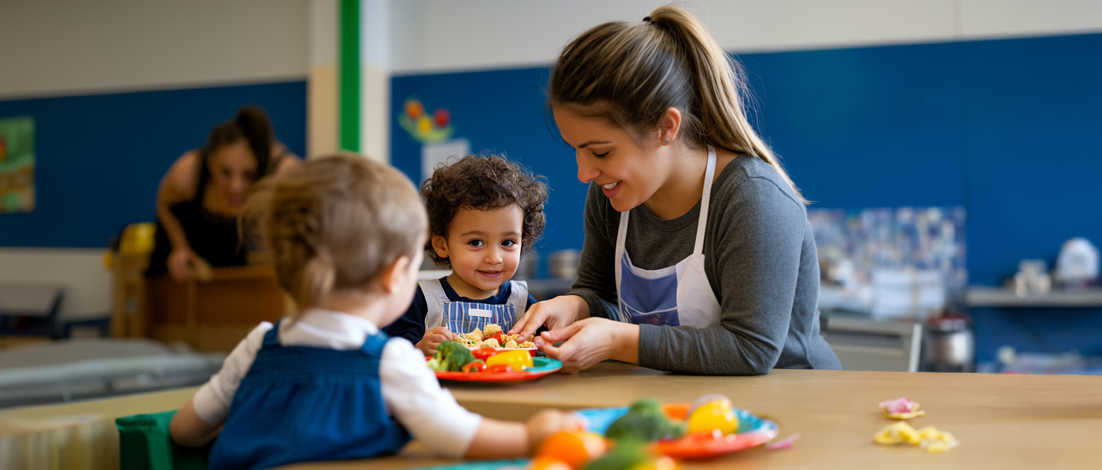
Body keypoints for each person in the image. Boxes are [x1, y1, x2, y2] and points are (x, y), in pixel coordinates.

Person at [168, 155, 579, 470]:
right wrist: (533, 436)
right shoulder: (389, 361)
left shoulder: (258, 343)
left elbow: (183, 431)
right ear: (397, 274)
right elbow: (458, 437)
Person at [510, 6, 841, 375]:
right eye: (577, 149)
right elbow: (600, 294)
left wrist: (619, 340)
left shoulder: (752, 198)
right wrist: (574, 306)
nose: (584, 173)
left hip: (795, 404)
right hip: (689, 402)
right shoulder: (613, 197)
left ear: (665, 127)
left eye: (601, 151)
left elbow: (751, 349)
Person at [385, 155, 548, 356]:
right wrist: (419, 348)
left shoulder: (523, 303)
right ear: (442, 245)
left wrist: (543, 346)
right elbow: (390, 352)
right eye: (476, 243)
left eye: (507, 243)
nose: (494, 258)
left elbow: (544, 347)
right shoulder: (422, 300)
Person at [146, 105, 300, 281]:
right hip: (176, 258)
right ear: (211, 162)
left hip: (230, 254)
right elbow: (164, 204)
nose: (235, 187)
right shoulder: (187, 174)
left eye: (248, 174)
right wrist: (180, 246)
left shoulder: (283, 172)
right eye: (225, 173)